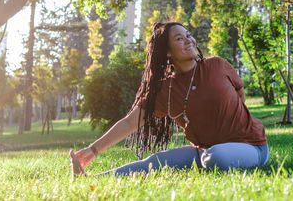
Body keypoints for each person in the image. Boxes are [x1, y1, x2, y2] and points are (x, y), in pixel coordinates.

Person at [70, 21, 269, 178]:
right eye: (180, 39)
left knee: (216, 157)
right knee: (155, 161)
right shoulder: (165, 89)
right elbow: (130, 122)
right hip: (203, 152)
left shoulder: (217, 65)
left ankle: (208, 157)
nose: (189, 40)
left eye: (189, 36)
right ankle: (92, 178)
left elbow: (240, 92)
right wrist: (93, 150)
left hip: (251, 146)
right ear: (167, 51)